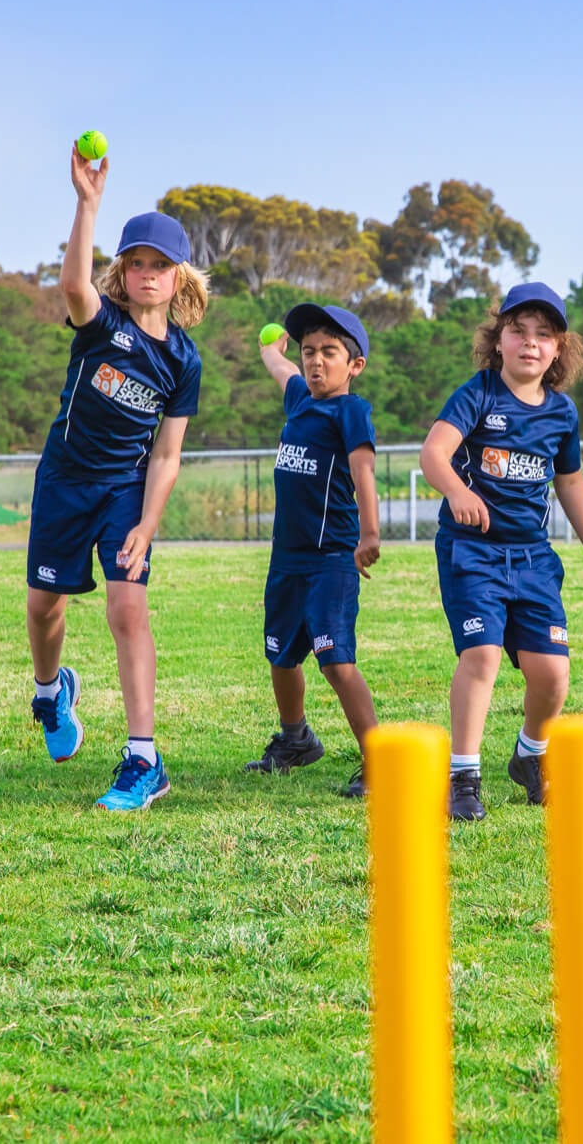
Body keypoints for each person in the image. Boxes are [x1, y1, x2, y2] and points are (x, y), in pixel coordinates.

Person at [26, 144, 208, 810]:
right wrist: (87, 203)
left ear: (178, 276)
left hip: (125, 491)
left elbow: (166, 454)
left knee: (128, 607)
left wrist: (148, 523)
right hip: (64, 480)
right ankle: (51, 692)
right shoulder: (102, 325)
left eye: (160, 265)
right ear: (123, 273)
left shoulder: (182, 360)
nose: (148, 274)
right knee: (44, 606)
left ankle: (143, 758)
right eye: (137, 264)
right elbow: (75, 288)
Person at [419, 283, 583, 822]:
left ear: (558, 350)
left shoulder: (563, 413)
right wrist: (457, 492)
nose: (530, 342)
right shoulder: (478, 394)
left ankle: (530, 755)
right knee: (481, 656)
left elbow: (570, 482)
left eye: (543, 335)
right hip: (472, 553)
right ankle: (463, 778)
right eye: (518, 331)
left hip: (532, 559)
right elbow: (434, 453)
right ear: (498, 340)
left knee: (552, 675)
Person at [245, 303, 382, 798]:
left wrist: (370, 533)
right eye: (309, 351)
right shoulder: (300, 398)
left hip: (332, 558)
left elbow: (363, 471)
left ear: (355, 365)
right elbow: (281, 370)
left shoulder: (351, 412)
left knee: (335, 661)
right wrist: (271, 349)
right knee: (281, 655)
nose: (316, 361)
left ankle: (380, 761)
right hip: (287, 558)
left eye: (329, 352)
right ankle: (296, 739)